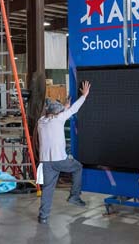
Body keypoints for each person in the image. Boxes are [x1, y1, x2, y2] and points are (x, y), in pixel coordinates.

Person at [37, 81, 91, 224]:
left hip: (46, 162)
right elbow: (74, 110)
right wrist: (84, 96)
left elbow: (58, 112)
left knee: (48, 189)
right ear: (57, 113)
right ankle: (74, 196)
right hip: (60, 160)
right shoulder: (59, 120)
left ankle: (43, 216)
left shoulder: (41, 122)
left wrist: (64, 107)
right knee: (78, 167)